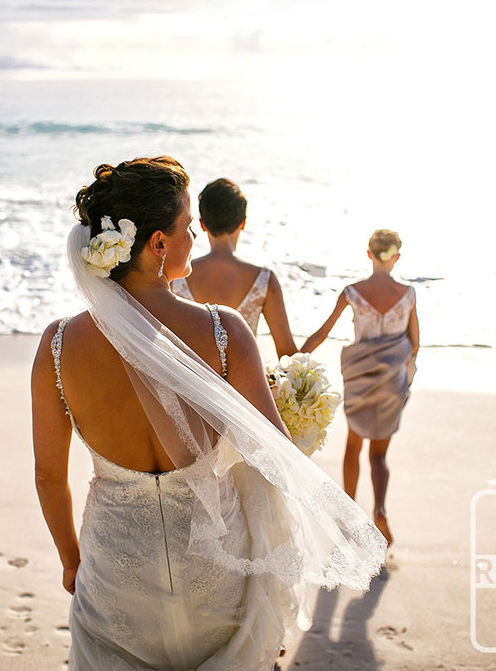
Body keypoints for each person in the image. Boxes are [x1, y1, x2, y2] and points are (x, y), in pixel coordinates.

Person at [31, 157, 385, 670]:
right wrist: (270, 600)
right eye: (184, 226)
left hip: (116, 569)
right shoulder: (226, 334)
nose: (194, 234)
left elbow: (46, 475)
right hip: (215, 572)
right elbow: (276, 459)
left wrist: (71, 560)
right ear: (157, 243)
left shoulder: (58, 346)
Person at [300, 229, 420, 547]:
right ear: (395, 257)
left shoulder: (352, 291)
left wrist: (295, 358)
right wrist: (404, 376)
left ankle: (348, 515)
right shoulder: (408, 294)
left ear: (369, 255)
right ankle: (379, 510)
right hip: (392, 380)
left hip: (360, 379)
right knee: (378, 455)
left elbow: (323, 332)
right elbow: (414, 344)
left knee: (353, 446)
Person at [171, 178, 297, 359]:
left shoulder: (176, 278)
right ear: (243, 223)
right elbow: (287, 355)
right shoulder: (264, 280)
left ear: (202, 224)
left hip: (187, 385)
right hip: (242, 386)